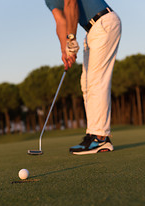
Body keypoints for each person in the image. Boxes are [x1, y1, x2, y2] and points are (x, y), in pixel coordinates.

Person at [45, 0, 121, 155]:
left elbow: (71, 4)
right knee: (86, 84)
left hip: (103, 22)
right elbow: (61, 21)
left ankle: (101, 138)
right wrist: (65, 49)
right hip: (91, 31)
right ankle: (93, 134)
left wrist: (71, 39)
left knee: (96, 81)